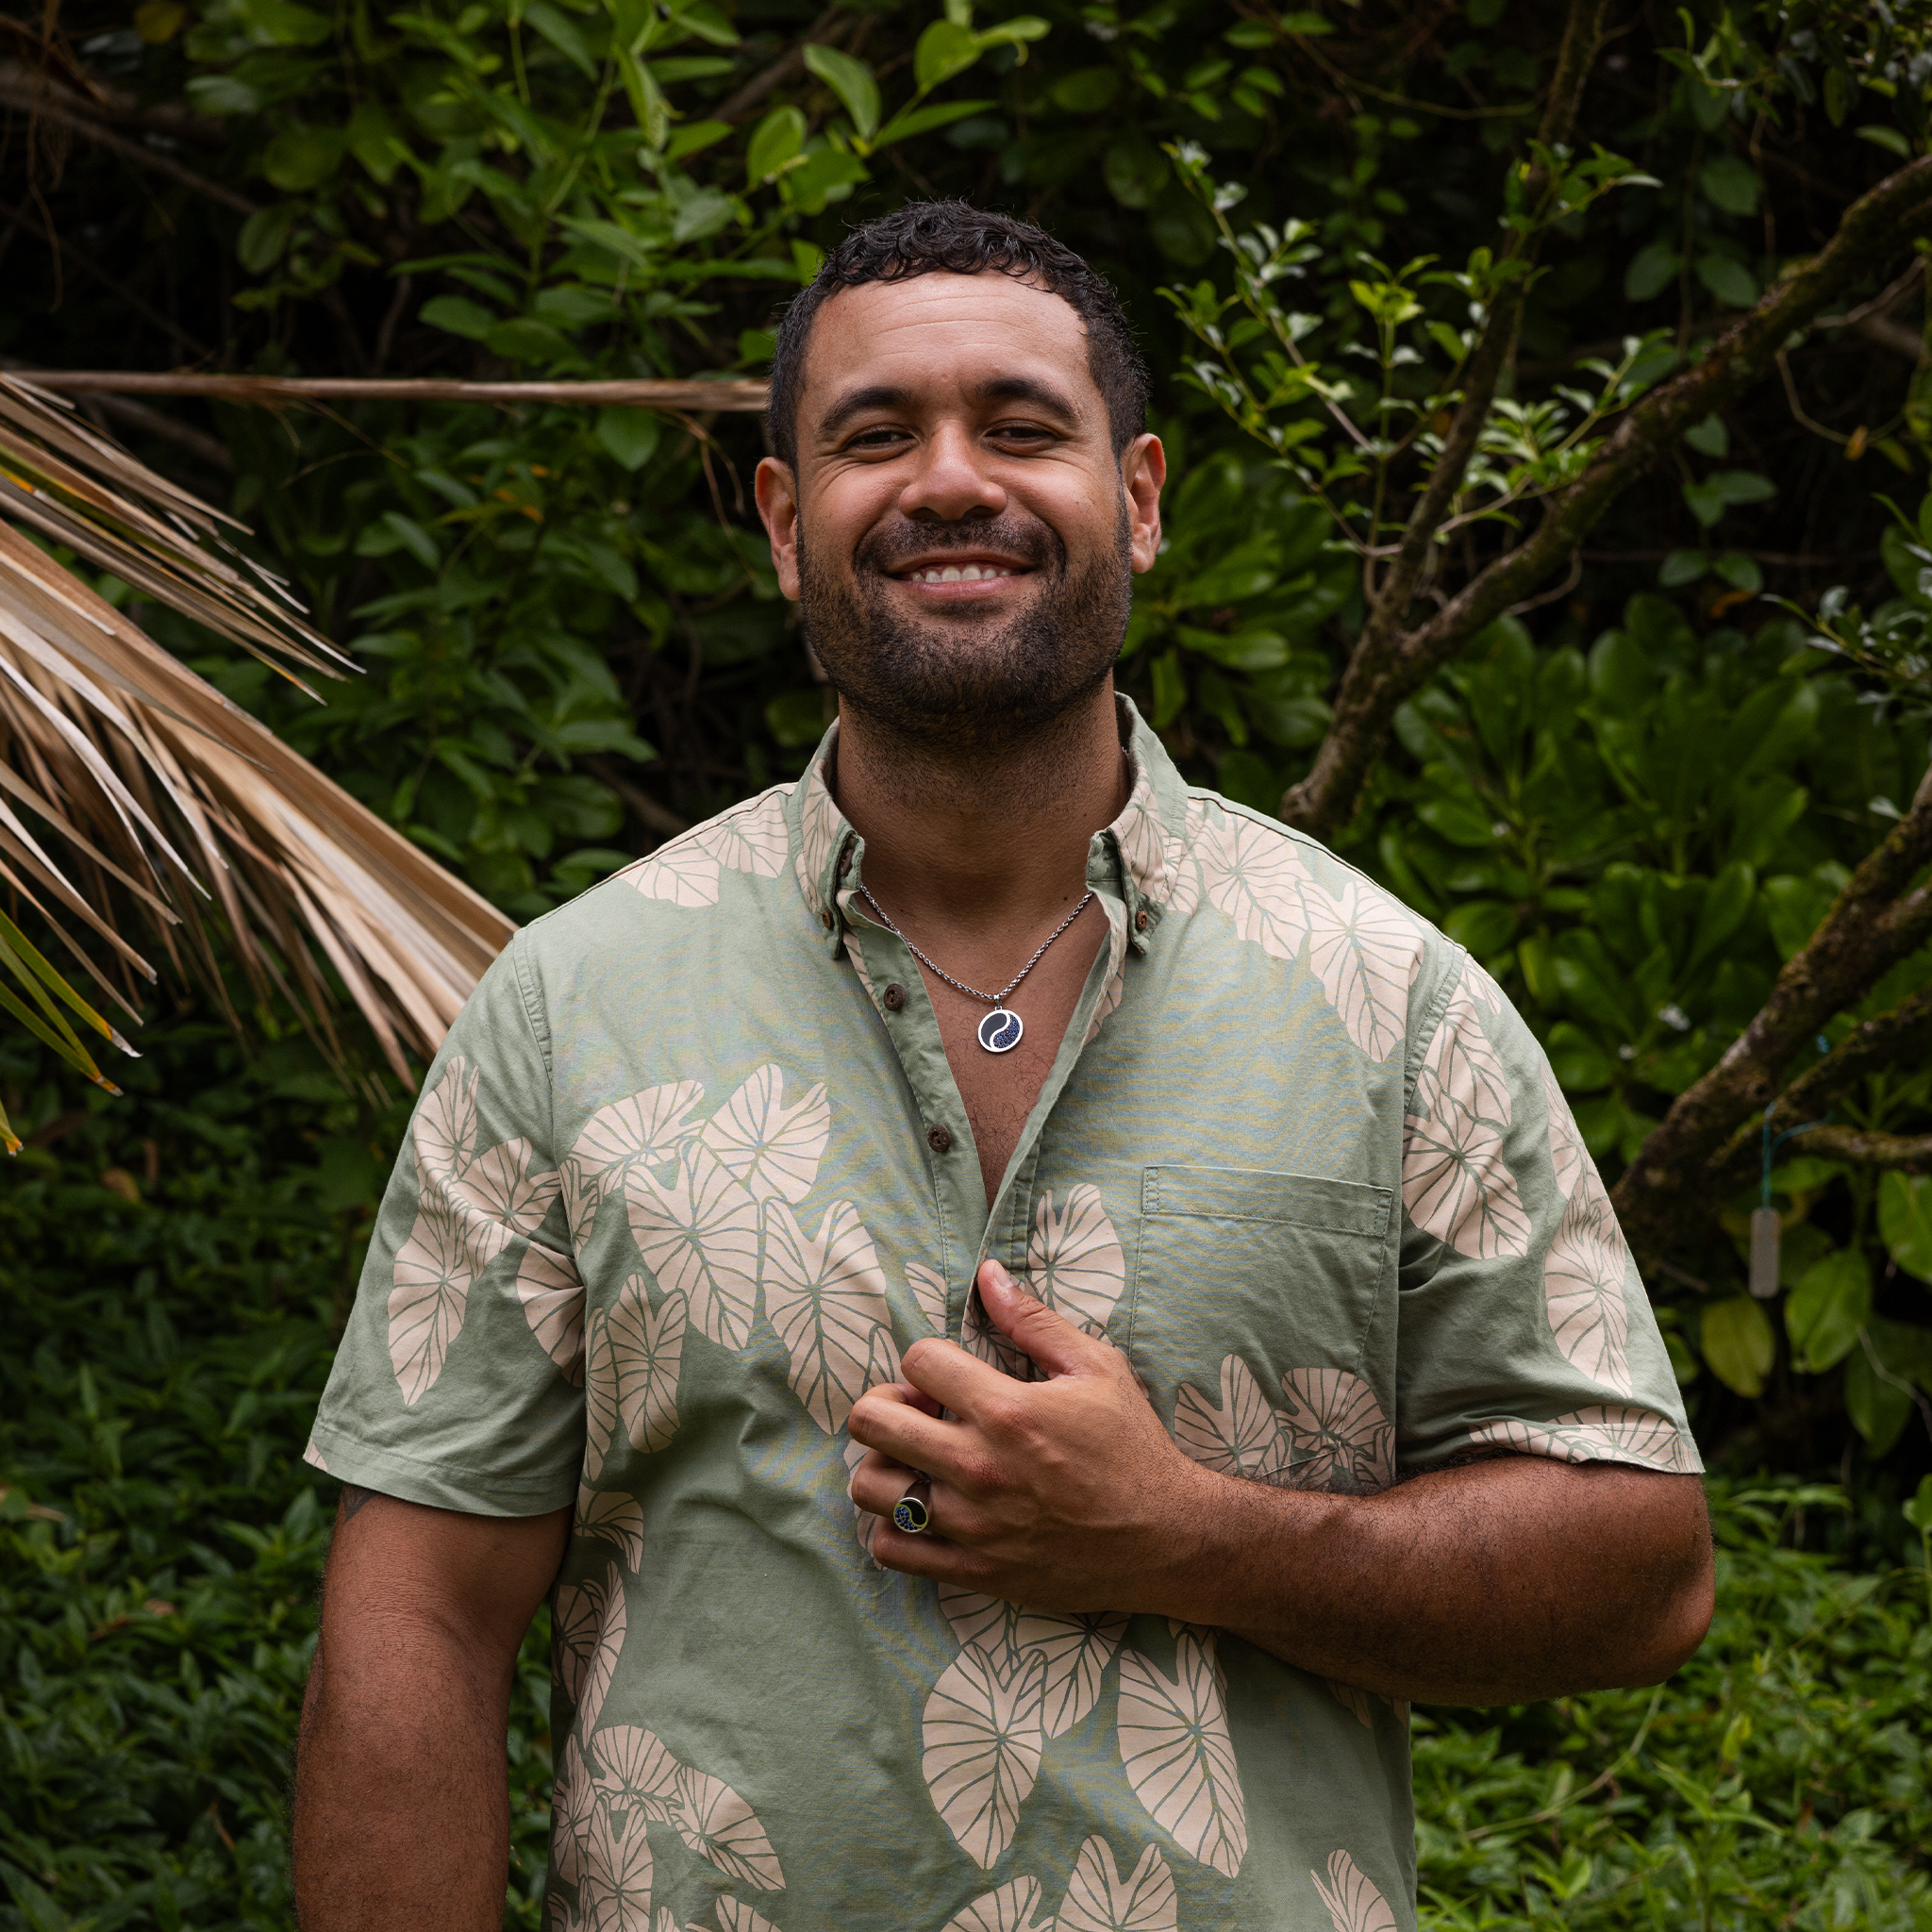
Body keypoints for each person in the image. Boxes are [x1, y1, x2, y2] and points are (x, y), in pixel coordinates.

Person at [292, 202, 1713, 1932]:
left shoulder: (1388, 999)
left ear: (1141, 495)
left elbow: (1642, 1578)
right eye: (873, 434)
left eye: (1024, 426)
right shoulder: (570, 1004)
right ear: (781, 523)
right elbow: (419, 1612)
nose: (950, 479)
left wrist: (1186, 1532)